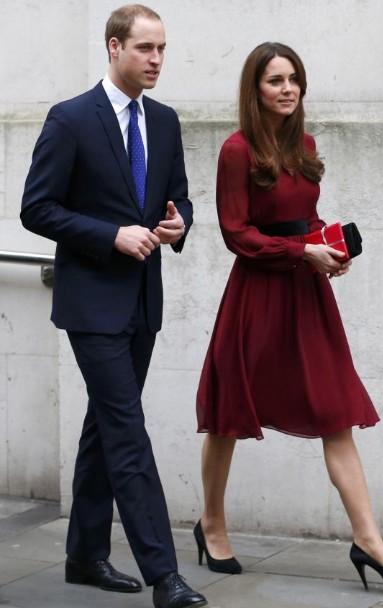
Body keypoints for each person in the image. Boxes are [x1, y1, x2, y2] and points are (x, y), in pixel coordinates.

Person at [194, 42, 383, 591]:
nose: (288, 88)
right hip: (257, 296)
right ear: (256, 89)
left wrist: (327, 251)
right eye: (275, 80)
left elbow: (305, 217)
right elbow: (236, 233)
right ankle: (213, 525)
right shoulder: (236, 150)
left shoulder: (306, 145)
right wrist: (301, 254)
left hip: (306, 295)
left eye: (294, 78)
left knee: (334, 410)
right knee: (230, 414)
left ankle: (369, 541)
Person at [21, 5, 206, 608]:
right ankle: (165, 576)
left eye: (162, 50)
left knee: (105, 425)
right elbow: (37, 208)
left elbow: (176, 197)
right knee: (127, 430)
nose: (156, 60)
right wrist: (110, 234)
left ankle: (83, 555)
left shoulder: (166, 120)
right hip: (91, 303)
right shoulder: (71, 119)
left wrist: (180, 223)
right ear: (114, 47)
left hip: (142, 301)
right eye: (145, 48)